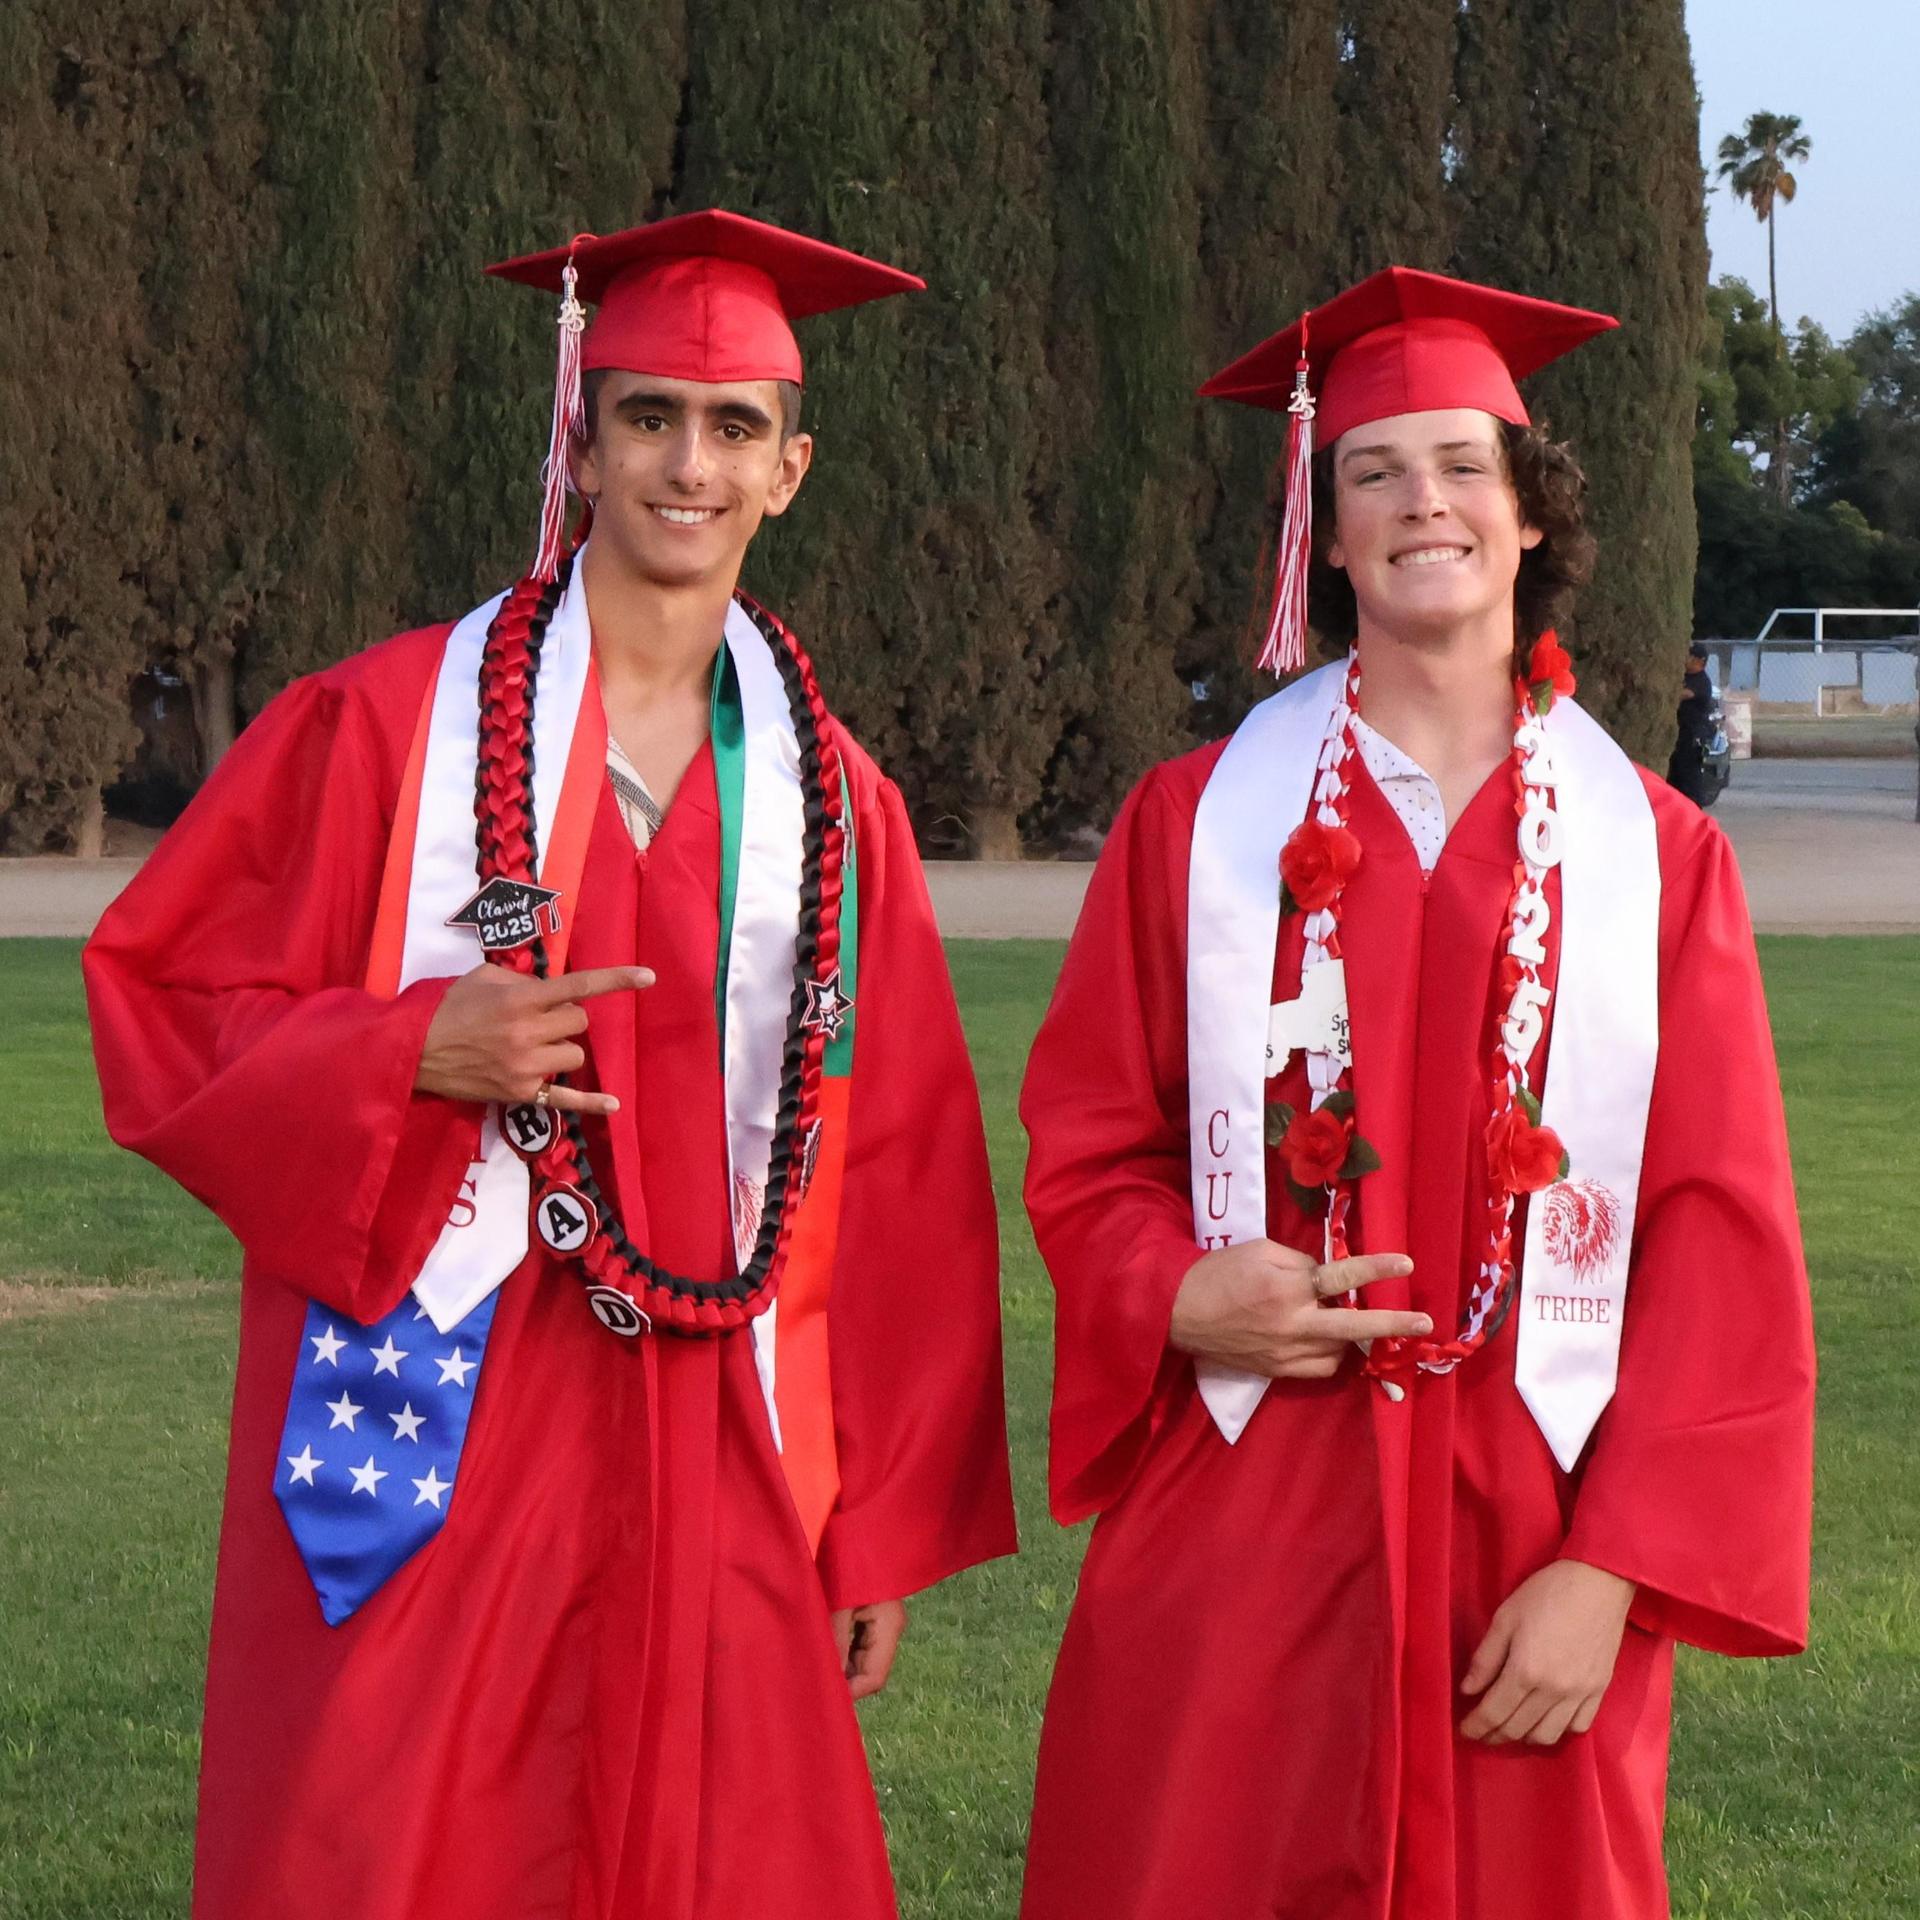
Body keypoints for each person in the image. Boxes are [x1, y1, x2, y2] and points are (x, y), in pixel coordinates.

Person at [84, 209, 1016, 1920]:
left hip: (714, 1418)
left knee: (725, 1855)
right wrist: (401, 1046)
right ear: (578, 439)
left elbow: (895, 1161)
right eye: (649, 414)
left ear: (790, 471)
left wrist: (877, 1513)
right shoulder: (385, 728)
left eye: (735, 429)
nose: (689, 462)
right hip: (443, 1405)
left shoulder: (837, 808)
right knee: (385, 1836)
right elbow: (157, 996)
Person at [1017, 268, 1813, 1920]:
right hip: (1250, 1491)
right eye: (1372, 470)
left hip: (1534, 1510)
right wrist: (1173, 1290)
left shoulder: (1656, 859)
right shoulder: (1194, 827)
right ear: (1325, 531)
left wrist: (1615, 1568)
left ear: (1530, 517)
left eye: (1460, 463)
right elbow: (1093, 1147)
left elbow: (1717, 1232)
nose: (1419, 501)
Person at [1667, 641, 1718, 804]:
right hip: (1678, 735)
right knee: (1674, 777)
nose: (1685, 659)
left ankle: (1695, 809)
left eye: (1689, 656)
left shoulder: (1701, 681)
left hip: (1691, 737)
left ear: (1700, 660)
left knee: (1689, 778)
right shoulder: (1682, 677)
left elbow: (1683, 694)